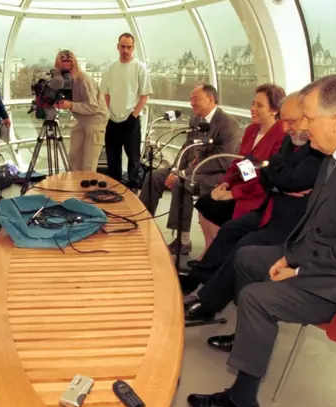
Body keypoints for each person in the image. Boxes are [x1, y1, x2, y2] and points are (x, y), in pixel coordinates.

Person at [186, 75, 336, 407]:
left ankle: (242, 401)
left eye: (309, 118)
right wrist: (290, 256)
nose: (303, 127)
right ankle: (248, 339)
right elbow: (317, 223)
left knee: (257, 298)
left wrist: (298, 269)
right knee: (248, 257)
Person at [178, 92, 325, 328]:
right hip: (271, 205)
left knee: (244, 245)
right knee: (229, 229)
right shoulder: (275, 136)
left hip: (281, 215)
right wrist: (234, 182)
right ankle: (198, 279)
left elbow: (286, 178)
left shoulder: (313, 145)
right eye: (252, 103)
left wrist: (270, 177)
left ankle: (209, 304)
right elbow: (262, 170)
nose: (286, 127)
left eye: (259, 104)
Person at [138, 84, 241, 255]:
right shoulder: (196, 121)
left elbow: (222, 161)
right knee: (155, 176)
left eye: (195, 99)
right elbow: (186, 149)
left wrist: (183, 173)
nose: (191, 103)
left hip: (216, 174)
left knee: (182, 182)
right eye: (191, 99)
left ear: (211, 99)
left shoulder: (228, 124)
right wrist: (175, 169)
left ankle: (183, 240)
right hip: (189, 168)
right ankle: (143, 222)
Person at [194, 84, 287, 257]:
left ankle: (219, 254)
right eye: (253, 104)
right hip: (241, 184)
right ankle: (211, 250)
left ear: (274, 110)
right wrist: (226, 183)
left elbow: (265, 178)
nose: (253, 109)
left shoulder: (281, 136)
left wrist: (233, 194)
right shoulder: (252, 130)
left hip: (258, 194)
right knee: (204, 203)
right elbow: (240, 161)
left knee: (217, 210)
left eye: (259, 106)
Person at [100, 32, 153, 190]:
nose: (125, 50)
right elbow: (106, 94)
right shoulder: (110, 68)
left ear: (133, 48)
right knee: (112, 159)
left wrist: (134, 115)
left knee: (133, 159)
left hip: (131, 120)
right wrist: (108, 114)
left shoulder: (139, 67)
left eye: (128, 47)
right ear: (118, 47)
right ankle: (114, 190)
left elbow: (145, 95)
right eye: (122, 46)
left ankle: (133, 191)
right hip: (113, 120)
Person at [54, 49, 109, 172]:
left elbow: (93, 107)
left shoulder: (84, 80)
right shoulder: (64, 82)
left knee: (89, 164)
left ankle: (87, 189)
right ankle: (74, 187)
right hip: (82, 121)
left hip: (96, 121)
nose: (66, 74)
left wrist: (70, 105)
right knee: (74, 158)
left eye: (69, 69)